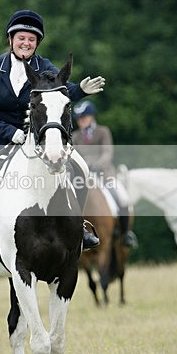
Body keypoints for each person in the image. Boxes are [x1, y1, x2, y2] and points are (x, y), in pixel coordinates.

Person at [0, 9, 105, 262]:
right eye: (21, 37)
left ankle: (78, 226)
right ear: (11, 39)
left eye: (32, 40)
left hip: (31, 141)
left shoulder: (44, 68)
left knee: (80, 170)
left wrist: (80, 90)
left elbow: (60, 93)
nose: (26, 43)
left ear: (37, 44)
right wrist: (9, 132)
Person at [72, 101, 138, 248]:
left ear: (92, 117)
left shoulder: (103, 131)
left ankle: (125, 233)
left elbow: (107, 153)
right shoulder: (75, 136)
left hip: (104, 174)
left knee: (122, 199)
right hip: (84, 177)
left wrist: (97, 165)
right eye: (79, 118)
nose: (81, 120)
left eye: (84, 117)